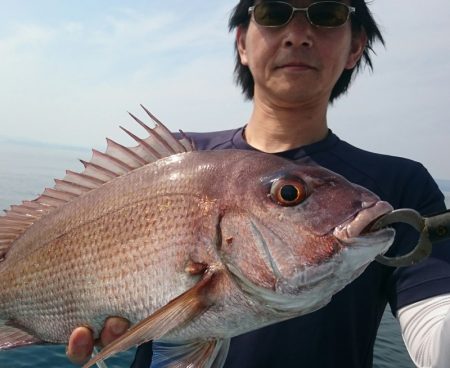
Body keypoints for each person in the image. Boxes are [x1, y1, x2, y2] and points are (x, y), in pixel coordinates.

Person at [67, 1, 450, 367]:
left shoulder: (401, 186)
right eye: (273, 12)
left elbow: (436, 328)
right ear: (241, 43)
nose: (298, 34)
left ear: (356, 47)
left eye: (328, 14)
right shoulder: (173, 162)